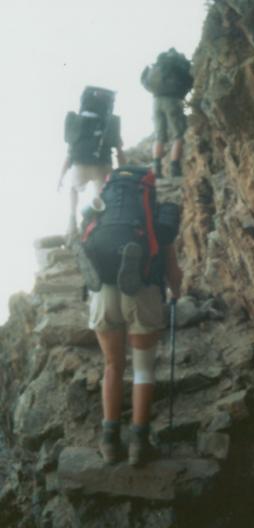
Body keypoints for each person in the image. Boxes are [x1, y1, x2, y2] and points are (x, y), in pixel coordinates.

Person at [83, 166, 182, 466]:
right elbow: (173, 272)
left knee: (112, 365)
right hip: (142, 290)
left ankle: (110, 441)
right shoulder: (156, 217)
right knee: (142, 370)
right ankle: (139, 443)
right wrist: (175, 292)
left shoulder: (102, 209)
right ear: (148, 190)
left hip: (103, 290)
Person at [58, 86, 126, 240]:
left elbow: (70, 153)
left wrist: (61, 176)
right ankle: (102, 225)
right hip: (104, 165)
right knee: (103, 198)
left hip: (80, 164)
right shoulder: (110, 122)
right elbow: (119, 150)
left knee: (73, 189)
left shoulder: (78, 122)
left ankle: (72, 221)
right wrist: (125, 171)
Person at [141, 48, 193, 179]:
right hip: (172, 100)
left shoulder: (160, 65)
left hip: (156, 100)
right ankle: (175, 169)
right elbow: (189, 80)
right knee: (179, 135)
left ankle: (156, 170)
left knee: (160, 137)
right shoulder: (177, 65)